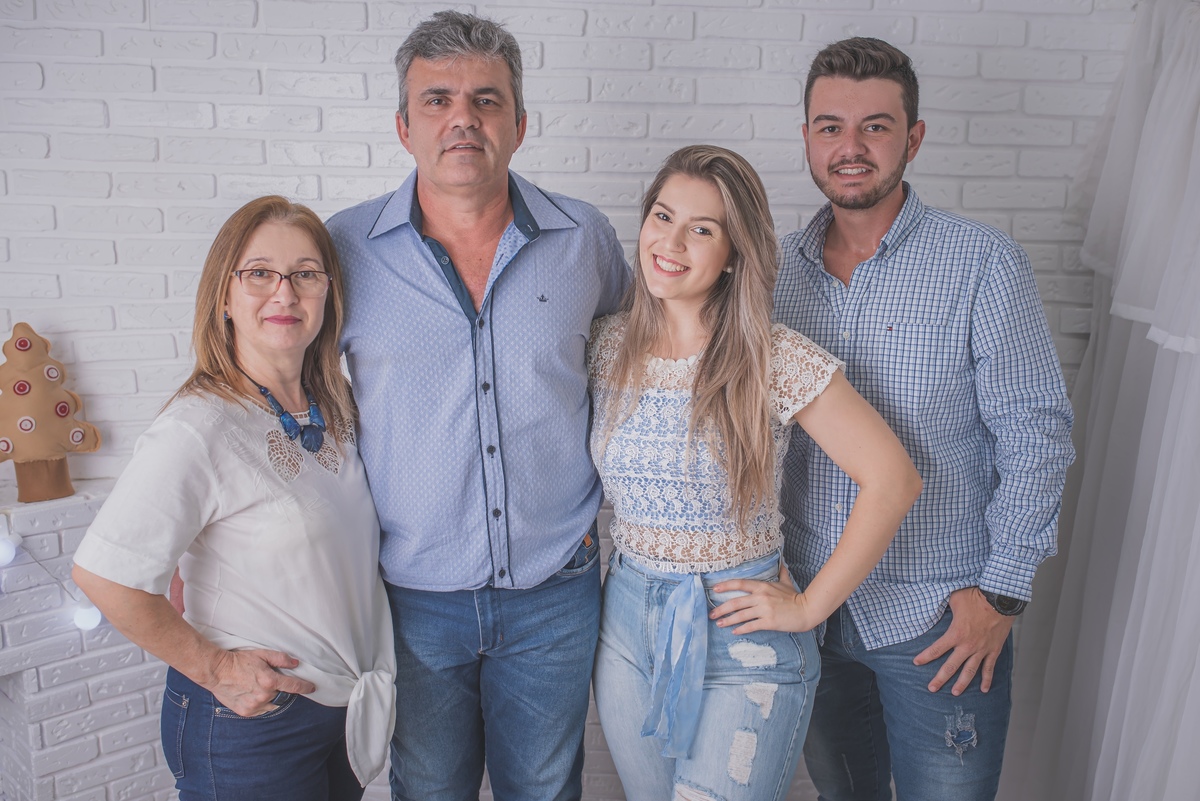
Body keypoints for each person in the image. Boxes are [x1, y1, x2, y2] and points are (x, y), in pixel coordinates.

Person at [323, 11, 629, 801]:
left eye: (486, 100)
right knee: (428, 789)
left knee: (547, 788)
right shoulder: (341, 250)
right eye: (438, 100)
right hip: (412, 599)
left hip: (556, 586)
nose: (463, 118)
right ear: (404, 126)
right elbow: (290, 392)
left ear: (520, 124)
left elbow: (641, 370)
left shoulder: (584, 239)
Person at [774, 38, 1076, 800]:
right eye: (830, 127)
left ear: (913, 137)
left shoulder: (983, 264)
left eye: (875, 127)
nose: (850, 147)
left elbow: (1036, 435)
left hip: (939, 620)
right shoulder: (773, 274)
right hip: (814, 608)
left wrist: (1001, 594)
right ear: (806, 137)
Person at [588, 144, 922, 801]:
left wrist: (810, 606)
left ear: (734, 253)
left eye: (701, 230)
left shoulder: (771, 357)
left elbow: (894, 478)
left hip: (743, 633)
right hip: (626, 620)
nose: (670, 243)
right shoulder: (606, 345)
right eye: (663, 216)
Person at [71, 196, 396, 801]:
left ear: (328, 293)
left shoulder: (337, 409)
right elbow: (105, 575)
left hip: (338, 711)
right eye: (260, 273)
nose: (284, 293)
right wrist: (217, 668)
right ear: (224, 295)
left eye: (305, 273)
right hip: (252, 721)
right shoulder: (199, 426)